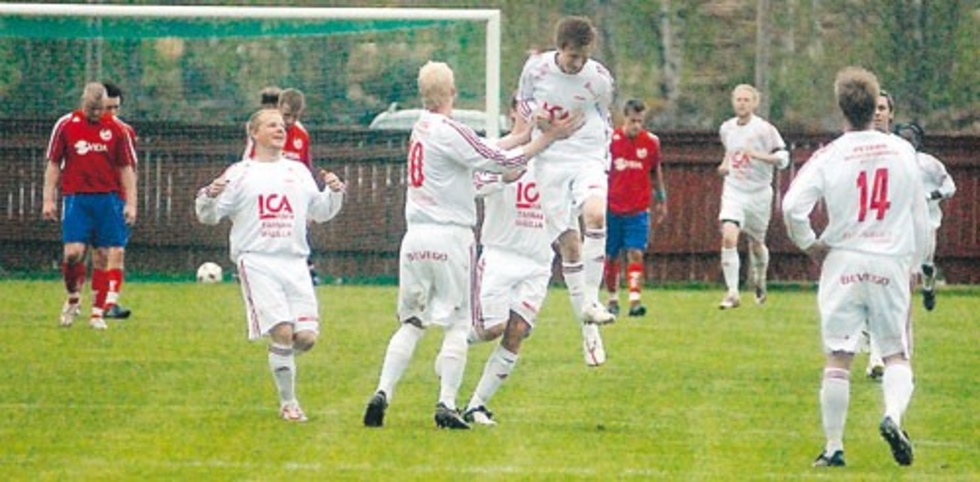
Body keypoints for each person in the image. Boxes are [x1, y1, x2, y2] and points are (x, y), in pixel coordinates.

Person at [362, 61, 580, 430]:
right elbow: (498, 160)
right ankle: (446, 403)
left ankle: (383, 391)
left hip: (414, 237)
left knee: (412, 321)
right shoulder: (450, 129)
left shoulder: (421, 129)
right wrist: (545, 138)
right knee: (458, 322)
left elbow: (481, 151)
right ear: (452, 93)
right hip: (450, 235)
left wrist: (517, 134)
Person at [782, 66, 928, 468]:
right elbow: (919, 213)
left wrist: (810, 244)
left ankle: (833, 448)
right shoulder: (903, 152)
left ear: (841, 109)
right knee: (896, 353)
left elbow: (793, 207)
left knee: (838, 356)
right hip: (889, 259)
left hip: (843, 260)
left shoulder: (830, 155)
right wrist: (918, 262)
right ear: (875, 106)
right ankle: (892, 416)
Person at [195, 108, 345, 422]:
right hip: (257, 261)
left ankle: (281, 359)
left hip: (295, 262)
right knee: (282, 331)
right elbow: (208, 216)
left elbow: (321, 211)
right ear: (254, 133)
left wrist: (334, 193)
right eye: (271, 125)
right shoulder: (239, 173)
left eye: (281, 125)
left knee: (305, 338)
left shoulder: (298, 171)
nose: (280, 130)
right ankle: (289, 403)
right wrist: (208, 196)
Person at [514, 15, 617, 367]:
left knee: (596, 214)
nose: (579, 63)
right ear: (560, 49)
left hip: (587, 156)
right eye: (574, 57)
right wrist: (538, 120)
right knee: (570, 246)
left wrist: (604, 160)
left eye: (584, 56)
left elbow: (605, 120)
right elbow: (523, 101)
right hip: (549, 160)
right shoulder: (536, 70)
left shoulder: (599, 79)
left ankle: (591, 299)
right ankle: (589, 333)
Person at [462, 163, 557, 425]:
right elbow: (473, 186)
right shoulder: (499, 152)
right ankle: (453, 343)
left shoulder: (560, 160)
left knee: (517, 332)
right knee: (493, 329)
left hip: (538, 262)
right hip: (501, 255)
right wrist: (501, 176)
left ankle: (476, 406)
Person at [43, 82, 138, 330]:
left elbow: (126, 168)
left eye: (102, 109)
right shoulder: (66, 125)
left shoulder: (117, 130)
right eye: (94, 109)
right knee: (73, 253)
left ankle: (97, 313)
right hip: (77, 198)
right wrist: (48, 199)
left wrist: (131, 203)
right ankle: (73, 296)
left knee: (103, 255)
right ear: (84, 103)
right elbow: (54, 163)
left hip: (108, 200)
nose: (98, 114)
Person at [715, 84, 789, 309]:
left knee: (756, 243)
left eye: (747, 99)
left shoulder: (765, 130)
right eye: (738, 99)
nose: (742, 103)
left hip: (758, 193)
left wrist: (758, 156)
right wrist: (725, 166)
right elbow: (731, 152)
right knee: (729, 235)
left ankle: (760, 279)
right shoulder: (726, 128)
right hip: (734, 189)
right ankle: (732, 292)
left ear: (755, 103)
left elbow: (783, 158)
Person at [603, 98, 666, 317]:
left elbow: (655, 171)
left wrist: (662, 198)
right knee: (610, 255)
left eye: (640, 121)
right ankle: (612, 298)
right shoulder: (610, 141)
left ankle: (634, 300)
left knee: (635, 253)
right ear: (624, 118)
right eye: (632, 121)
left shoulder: (651, 142)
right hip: (612, 207)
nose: (636, 126)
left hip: (638, 209)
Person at [894, 123, 956, 311]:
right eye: (902, 139)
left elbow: (949, 187)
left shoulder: (929, 163)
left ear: (918, 141)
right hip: (900, 220)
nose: (907, 143)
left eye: (910, 139)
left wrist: (930, 196)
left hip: (927, 221)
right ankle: (900, 297)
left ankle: (928, 287)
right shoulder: (892, 162)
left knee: (926, 263)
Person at [95, 81, 136, 320]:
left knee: (117, 250)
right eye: (106, 108)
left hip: (116, 199)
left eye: (115, 108)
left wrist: (130, 201)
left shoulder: (124, 132)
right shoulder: (78, 128)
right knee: (96, 253)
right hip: (88, 199)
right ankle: (93, 299)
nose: (111, 114)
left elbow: (129, 168)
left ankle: (111, 303)